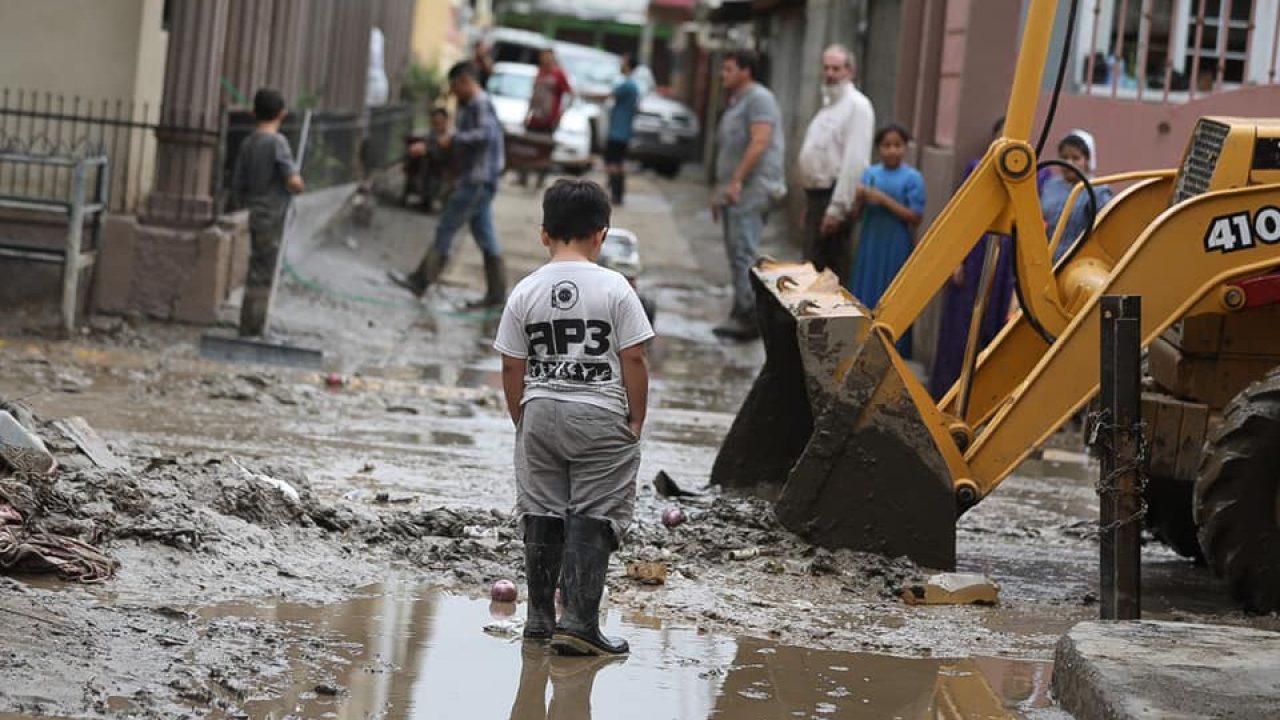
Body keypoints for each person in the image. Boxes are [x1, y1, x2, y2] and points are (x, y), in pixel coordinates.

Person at [494, 179, 654, 656]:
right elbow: (635, 358)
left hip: (540, 411)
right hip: (601, 414)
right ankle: (580, 623)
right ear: (601, 235)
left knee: (541, 508)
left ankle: (540, 619)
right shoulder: (616, 288)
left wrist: (522, 417)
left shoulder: (526, 290)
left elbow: (511, 365)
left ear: (544, 234)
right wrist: (636, 419)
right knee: (595, 510)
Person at [389, 61, 507, 308]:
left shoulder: (479, 104)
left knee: (447, 226)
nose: (453, 92)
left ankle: (422, 279)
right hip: (480, 180)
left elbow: (486, 135)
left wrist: (452, 139)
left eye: (455, 86)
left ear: (465, 81)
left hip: (477, 180)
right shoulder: (475, 104)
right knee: (484, 235)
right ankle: (497, 294)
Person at [929, 117, 1016, 399]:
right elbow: (959, 216)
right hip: (972, 254)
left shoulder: (1028, 176)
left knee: (993, 328)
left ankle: (981, 398)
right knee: (960, 328)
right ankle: (947, 394)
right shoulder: (976, 170)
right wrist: (956, 259)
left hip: (1005, 261)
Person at [711, 49, 786, 340]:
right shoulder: (736, 101)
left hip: (753, 186)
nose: (723, 74)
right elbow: (728, 149)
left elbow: (760, 141)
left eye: (729, 69)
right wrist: (720, 190)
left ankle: (750, 317)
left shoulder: (759, 99)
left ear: (746, 71)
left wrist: (737, 180)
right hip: (735, 188)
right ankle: (740, 310)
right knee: (735, 250)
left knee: (744, 250)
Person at [230, 88, 305, 338]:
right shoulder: (277, 143)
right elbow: (292, 180)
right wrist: (299, 184)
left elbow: (238, 183)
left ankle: (248, 323)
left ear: (253, 112)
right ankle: (255, 328)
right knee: (264, 272)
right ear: (282, 114)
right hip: (273, 216)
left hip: (255, 212)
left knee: (256, 267)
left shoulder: (249, 142)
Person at [797, 44, 875, 286]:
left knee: (829, 276)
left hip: (834, 198)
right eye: (826, 68)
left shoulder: (857, 106)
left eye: (836, 68)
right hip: (817, 197)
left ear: (850, 71)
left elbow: (855, 162)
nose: (830, 74)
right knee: (811, 272)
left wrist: (837, 209)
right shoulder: (829, 106)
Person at [848, 123, 925, 358]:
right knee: (867, 288)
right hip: (871, 243)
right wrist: (859, 199)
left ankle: (893, 349)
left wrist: (883, 200)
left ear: (905, 148)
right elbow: (856, 216)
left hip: (896, 244)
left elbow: (915, 217)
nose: (892, 150)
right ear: (878, 148)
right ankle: (862, 345)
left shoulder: (913, 178)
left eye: (897, 145)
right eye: (886, 145)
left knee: (892, 292)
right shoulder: (870, 174)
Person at [1041, 129, 1113, 263]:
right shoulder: (1050, 186)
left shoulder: (1098, 191)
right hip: (1047, 261)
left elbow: (1107, 230)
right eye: (1064, 157)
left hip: (1080, 263)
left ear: (1087, 160)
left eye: (1076, 158)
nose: (1069, 163)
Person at [522, 48, 574, 188]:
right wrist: (527, 113)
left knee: (545, 150)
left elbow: (569, 95)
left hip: (549, 120)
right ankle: (524, 177)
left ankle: (540, 179)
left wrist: (561, 114)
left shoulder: (559, 74)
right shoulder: (539, 72)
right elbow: (534, 95)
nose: (544, 59)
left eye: (547, 56)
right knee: (529, 147)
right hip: (535, 118)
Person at [605, 54, 641, 205]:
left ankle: (616, 194)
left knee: (614, 163)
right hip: (623, 131)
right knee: (617, 163)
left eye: (623, 62)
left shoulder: (628, 85)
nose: (621, 64)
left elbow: (609, 95)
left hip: (618, 132)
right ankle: (617, 194)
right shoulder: (633, 85)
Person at [404, 107, 455, 213]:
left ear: (445, 120)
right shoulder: (432, 132)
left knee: (430, 165)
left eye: (440, 120)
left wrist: (427, 150)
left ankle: (427, 199)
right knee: (416, 159)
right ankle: (421, 197)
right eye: (435, 120)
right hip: (430, 160)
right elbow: (427, 142)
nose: (437, 123)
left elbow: (447, 152)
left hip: (444, 163)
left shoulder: (450, 134)